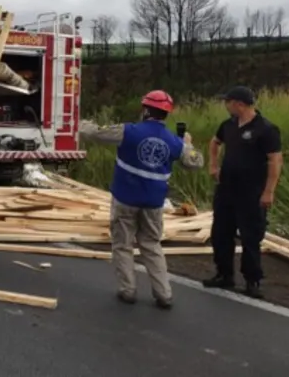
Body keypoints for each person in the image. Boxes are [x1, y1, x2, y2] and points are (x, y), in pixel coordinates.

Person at [80, 90, 205, 309]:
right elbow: (196, 162)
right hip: (154, 203)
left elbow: (95, 133)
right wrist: (188, 144)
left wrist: (77, 122)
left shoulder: (128, 131)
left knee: (122, 244)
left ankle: (128, 290)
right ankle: (164, 293)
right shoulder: (174, 143)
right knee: (152, 245)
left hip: (125, 200)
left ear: (145, 110)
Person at [203, 86, 283, 299]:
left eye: (227, 102)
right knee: (220, 233)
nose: (226, 106)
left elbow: (275, 160)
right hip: (227, 188)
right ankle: (224, 274)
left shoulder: (265, 129)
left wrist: (269, 191)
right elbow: (214, 142)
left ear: (239, 103)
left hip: (252, 191)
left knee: (250, 236)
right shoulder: (228, 125)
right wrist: (213, 165)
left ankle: (252, 280)